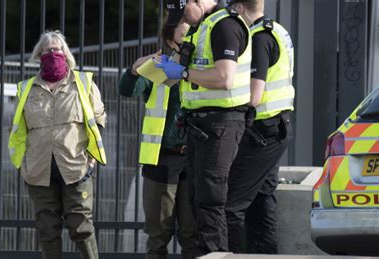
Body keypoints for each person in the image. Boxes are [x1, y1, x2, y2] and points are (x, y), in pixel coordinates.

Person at [157, 0, 252, 256]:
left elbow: (224, 78)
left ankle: (215, 254)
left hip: (221, 122)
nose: (183, 19)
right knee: (198, 200)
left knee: (210, 200)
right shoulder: (202, 27)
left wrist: (184, 73)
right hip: (201, 124)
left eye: (183, 11)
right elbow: (172, 76)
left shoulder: (224, 25)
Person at [8, 30, 106, 259]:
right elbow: (18, 130)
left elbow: (99, 118)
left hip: (76, 168)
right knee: (47, 229)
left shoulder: (84, 82)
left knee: (80, 226)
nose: (52, 53)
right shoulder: (26, 88)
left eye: (57, 49)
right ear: (39, 55)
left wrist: (91, 158)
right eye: (47, 50)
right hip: (38, 170)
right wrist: (22, 164)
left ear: (66, 53)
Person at [118, 21, 195, 259]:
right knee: (158, 235)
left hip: (196, 158)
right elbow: (127, 89)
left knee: (192, 235)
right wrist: (133, 70)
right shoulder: (159, 67)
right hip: (162, 158)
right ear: (171, 42)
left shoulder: (205, 68)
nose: (189, 44)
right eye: (183, 39)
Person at [225, 0, 295, 254]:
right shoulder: (277, 30)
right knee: (261, 201)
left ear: (241, 8)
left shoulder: (257, 38)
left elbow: (254, 95)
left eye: (232, 10)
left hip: (263, 131)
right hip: (277, 126)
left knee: (230, 205)